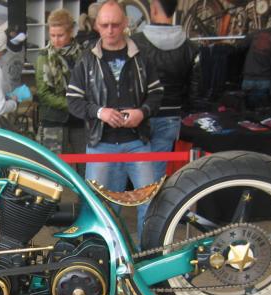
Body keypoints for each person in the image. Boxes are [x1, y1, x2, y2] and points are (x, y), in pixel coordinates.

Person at [67, 0, 163, 241]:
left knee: (150, 206)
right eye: (104, 25)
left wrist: (142, 112)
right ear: (96, 25)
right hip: (100, 144)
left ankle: (148, 255)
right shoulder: (86, 60)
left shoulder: (142, 56)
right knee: (97, 208)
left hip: (137, 142)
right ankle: (100, 255)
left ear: (126, 23)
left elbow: (157, 93)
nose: (110, 30)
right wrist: (100, 112)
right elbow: (73, 100)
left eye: (115, 24)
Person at [131, 0, 198, 158]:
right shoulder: (190, 47)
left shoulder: (135, 42)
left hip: (140, 113)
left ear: (153, 9)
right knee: (158, 166)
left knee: (134, 165)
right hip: (171, 114)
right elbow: (194, 88)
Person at [35, 9, 85, 160]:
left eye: (60, 35)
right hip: (52, 118)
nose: (56, 40)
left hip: (79, 119)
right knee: (53, 165)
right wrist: (72, 104)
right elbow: (43, 93)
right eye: (52, 35)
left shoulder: (83, 54)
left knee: (85, 165)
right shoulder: (44, 56)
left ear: (70, 33)